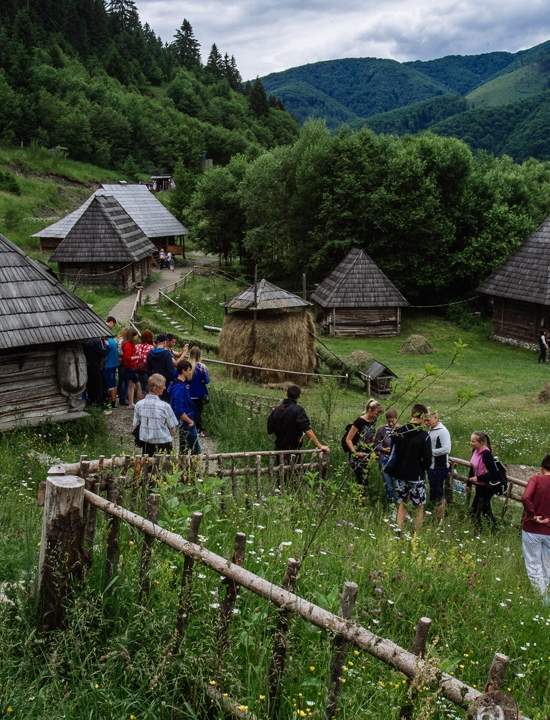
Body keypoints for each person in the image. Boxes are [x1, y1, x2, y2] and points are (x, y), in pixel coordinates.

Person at [390, 403, 432, 531]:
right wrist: (421, 468)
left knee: (402, 502)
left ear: (412, 414)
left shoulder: (398, 432)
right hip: (416, 475)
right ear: (423, 417)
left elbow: (393, 451)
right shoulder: (424, 436)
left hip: (399, 473)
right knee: (419, 506)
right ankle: (416, 534)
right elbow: (428, 460)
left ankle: (399, 530)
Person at [521, 455, 550, 604]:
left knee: (533, 564)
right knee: (547, 565)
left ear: (542, 467)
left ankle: (543, 601)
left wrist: (533, 514)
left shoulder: (536, 479)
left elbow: (525, 497)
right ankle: (545, 597)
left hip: (533, 528)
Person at [267, 385, 329, 453]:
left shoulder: (276, 410)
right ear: (299, 396)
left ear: (286, 394)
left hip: (278, 449)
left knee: (280, 463)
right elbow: (307, 429)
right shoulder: (298, 410)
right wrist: (319, 445)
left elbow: (270, 430)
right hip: (293, 450)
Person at [133, 373, 178, 456]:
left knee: (147, 467)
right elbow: (173, 429)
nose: (165, 388)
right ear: (156, 388)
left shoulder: (138, 405)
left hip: (146, 444)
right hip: (163, 443)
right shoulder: (165, 406)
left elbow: (135, 426)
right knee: (163, 467)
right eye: (163, 386)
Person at [345, 399, 383, 491]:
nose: (377, 416)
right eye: (376, 413)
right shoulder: (359, 421)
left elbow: (370, 436)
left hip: (368, 454)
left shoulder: (373, 420)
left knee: (365, 477)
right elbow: (348, 439)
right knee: (360, 479)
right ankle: (358, 502)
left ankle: (361, 500)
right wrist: (355, 453)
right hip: (357, 455)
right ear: (370, 410)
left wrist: (375, 448)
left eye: (378, 414)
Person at [467, 431, 500, 530]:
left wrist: (478, 478)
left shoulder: (486, 454)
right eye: (471, 441)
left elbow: (493, 473)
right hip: (479, 485)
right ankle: (491, 528)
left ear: (481, 442)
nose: (471, 443)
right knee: (483, 509)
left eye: (473, 441)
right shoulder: (475, 451)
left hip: (486, 486)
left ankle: (480, 530)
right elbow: (472, 468)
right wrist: (469, 484)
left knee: (476, 510)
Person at [168, 359, 201, 455]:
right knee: (196, 451)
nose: (191, 372)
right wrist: (190, 421)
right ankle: (194, 469)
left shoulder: (178, 383)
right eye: (189, 370)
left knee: (184, 449)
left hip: (185, 420)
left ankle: (183, 468)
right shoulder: (179, 388)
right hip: (186, 422)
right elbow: (178, 409)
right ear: (183, 371)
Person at [425, 410, 452, 521]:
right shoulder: (431, 430)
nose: (426, 422)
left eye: (428, 419)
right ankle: (434, 515)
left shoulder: (442, 431)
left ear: (436, 417)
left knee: (438, 492)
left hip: (439, 467)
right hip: (431, 466)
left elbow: (447, 449)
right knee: (433, 491)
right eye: (425, 420)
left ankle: (440, 518)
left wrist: (429, 452)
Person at [374, 407, 398, 503]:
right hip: (384, 460)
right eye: (389, 422)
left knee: (398, 484)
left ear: (396, 418)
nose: (391, 424)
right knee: (388, 484)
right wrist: (383, 449)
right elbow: (376, 444)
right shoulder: (381, 430)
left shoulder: (401, 430)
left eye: (393, 421)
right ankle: (391, 504)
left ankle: (400, 506)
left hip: (397, 461)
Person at [189, 345, 209, 436]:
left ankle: (187, 427)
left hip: (187, 392)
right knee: (198, 412)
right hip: (199, 393)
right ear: (199, 355)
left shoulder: (186, 365)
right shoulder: (202, 367)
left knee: (188, 411)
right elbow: (207, 381)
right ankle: (198, 430)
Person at [83, 338, 109, 407]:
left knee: (90, 384)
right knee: (98, 384)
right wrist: (107, 348)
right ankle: (99, 401)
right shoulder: (95, 342)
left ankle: (91, 399)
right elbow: (102, 353)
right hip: (96, 366)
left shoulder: (84, 342)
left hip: (87, 366)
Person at [120, 328, 142, 409]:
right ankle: (137, 403)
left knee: (131, 385)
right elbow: (127, 357)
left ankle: (131, 403)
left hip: (131, 367)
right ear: (132, 336)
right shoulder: (128, 345)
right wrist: (138, 357)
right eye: (136, 335)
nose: (137, 337)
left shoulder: (130, 344)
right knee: (138, 385)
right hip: (129, 367)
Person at [102, 318, 119, 410]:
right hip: (113, 363)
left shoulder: (106, 340)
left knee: (109, 384)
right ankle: (113, 401)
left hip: (108, 364)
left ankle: (112, 403)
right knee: (113, 383)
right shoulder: (113, 339)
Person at [133, 329, 154, 396]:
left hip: (135, 369)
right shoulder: (151, 347)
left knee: (137, 387)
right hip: (146, 371)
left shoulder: (136, 346)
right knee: (144, 389)